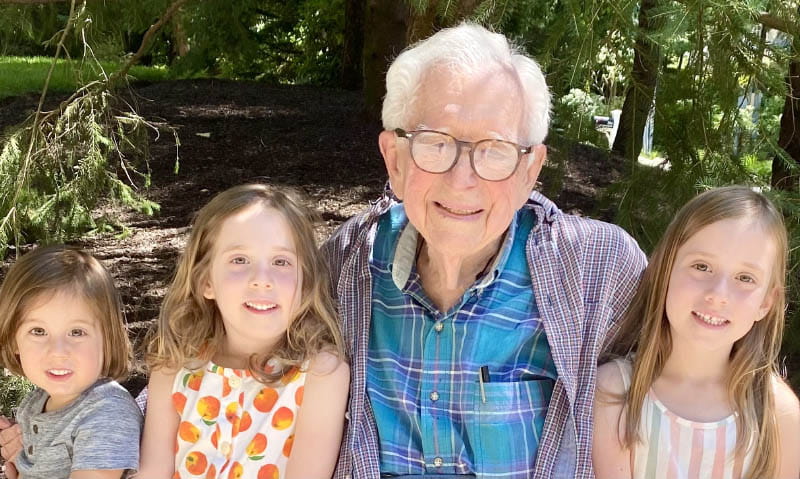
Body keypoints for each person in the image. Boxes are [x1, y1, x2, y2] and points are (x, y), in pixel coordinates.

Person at [322, 23, 647, 479]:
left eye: (494, 151)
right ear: (395, 159)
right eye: (435, 143)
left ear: (529, 171)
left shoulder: (597, 271)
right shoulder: (347, 264)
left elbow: (700, 378)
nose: (462, 180)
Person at [136, 184, 349, 479]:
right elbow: (153, 473)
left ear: (306, 282)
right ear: (205, 281)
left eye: (281, 262)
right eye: (240, 260)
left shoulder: (320, 373)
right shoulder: (174, 366)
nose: (262, 280)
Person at [593, 186, 800, 479]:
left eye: (745, 278)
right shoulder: (616, 392)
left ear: (766, 303)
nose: (718, 294)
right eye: (702, 266)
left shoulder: (778, 414)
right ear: (664, 271)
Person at [0, 245, 142, 479]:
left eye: (76, 332)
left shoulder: (108, 412)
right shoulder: (33, 405)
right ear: (14, 340)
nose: (58, 351)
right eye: (38, 331)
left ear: (107, 339)